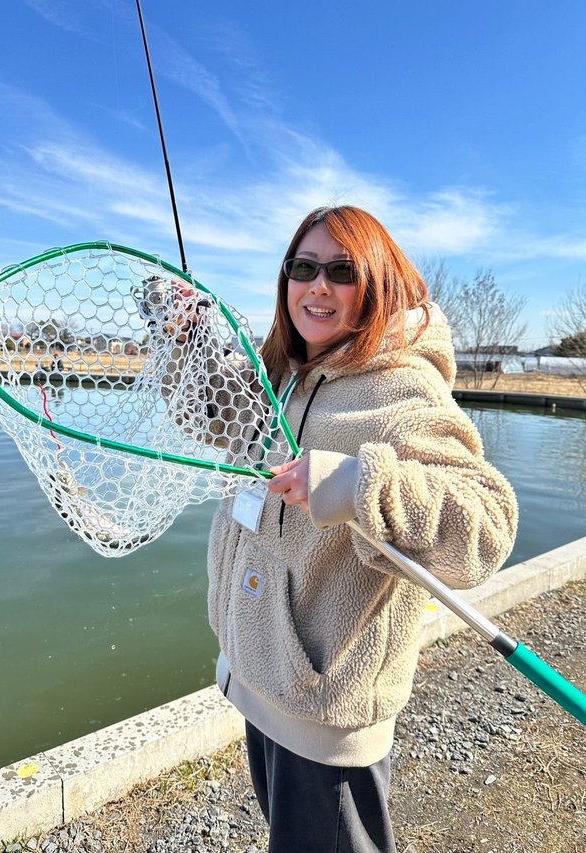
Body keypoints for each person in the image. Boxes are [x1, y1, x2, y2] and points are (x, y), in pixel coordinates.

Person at [205, 205, 518, 852]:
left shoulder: (401, 388)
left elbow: (487, 525)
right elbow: (223, 421)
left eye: (342, 271)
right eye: (303, 268)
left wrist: (355, 485)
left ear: (376, 283)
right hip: (261, 682)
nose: (318, 285)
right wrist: (185, 340)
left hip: (326, 714)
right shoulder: (284, 373)